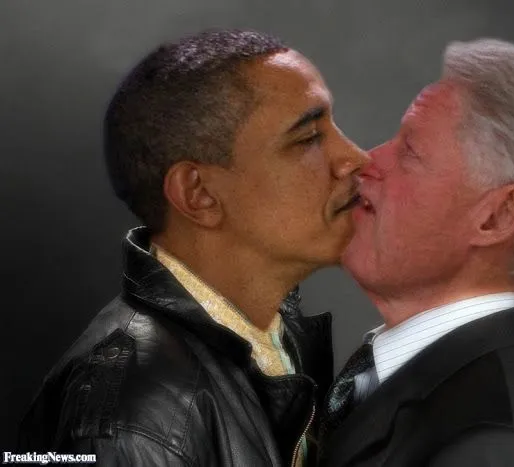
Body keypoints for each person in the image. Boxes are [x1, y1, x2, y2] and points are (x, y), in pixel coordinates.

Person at [18, 29, 368, 466]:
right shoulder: (139, 415)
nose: (356, 158)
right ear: (198, 193)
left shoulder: (275, 344)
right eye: (307, 137)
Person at [321, 38, 514, 466]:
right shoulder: (415, 392)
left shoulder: (493, 448)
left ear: (496, 217)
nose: (367, 160)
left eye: (410, 151)